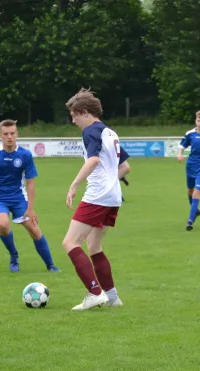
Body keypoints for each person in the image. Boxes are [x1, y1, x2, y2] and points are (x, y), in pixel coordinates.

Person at [62, 88, 127, 311]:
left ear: (85, 112)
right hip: (113, 197)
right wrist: (110, 182)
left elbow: (93, 162)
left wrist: (73, 185)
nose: (73, 120)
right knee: (94, 247)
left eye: (74, 115)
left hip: (98, 195)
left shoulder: (90, 131)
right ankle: (113, 297)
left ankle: (94, 292)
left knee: (70, 243)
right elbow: (125, 166)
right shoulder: (110, 133)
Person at [0, 119, 61, 273]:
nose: (9, 137)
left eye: (12, 133)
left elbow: (30, 183)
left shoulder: (25, 155)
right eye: (6, 134)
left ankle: (51, 265)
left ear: (17, 134)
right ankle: (14, 255)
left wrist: (31, 209)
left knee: (34, 229)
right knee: (3, 224)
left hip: (18, 197)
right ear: (0, 135)